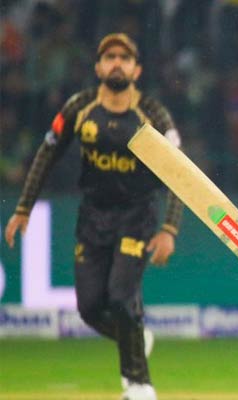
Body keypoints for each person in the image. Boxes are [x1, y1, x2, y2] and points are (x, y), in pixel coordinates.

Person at [3, 33, 184, 400]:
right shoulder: (79, 107)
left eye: (124, 57)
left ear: (137, 69)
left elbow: (179, 172)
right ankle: (135, 336)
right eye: (109, 56)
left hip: (137, 216)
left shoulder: (152, 115)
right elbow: (46, 154)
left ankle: (139, 384)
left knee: (121, 296)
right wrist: (24, 207)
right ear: (98, 67)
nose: (117, 62)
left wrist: (169, 228)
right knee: (89, 309)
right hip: (93, 217)